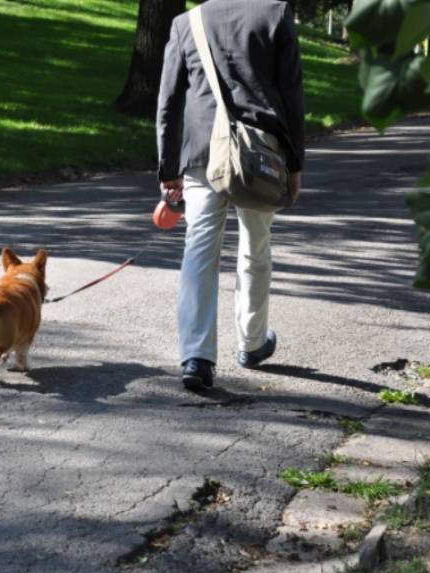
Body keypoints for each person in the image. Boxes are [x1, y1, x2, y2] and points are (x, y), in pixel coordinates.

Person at [155, 0, 305, 390]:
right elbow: (292, 93)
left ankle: (196, 358)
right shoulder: (275, 14)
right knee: (256, 245)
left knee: (199, 249)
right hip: (261, 155)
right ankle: (252, 343)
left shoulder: (186, 22)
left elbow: (169, 100)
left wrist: (168, 168)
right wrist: (295, 163)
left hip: (204, 153)